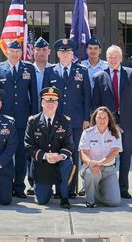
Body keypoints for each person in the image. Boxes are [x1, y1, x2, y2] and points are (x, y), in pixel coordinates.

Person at [92, 45, 132, 198]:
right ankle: (107, 188)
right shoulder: (99, 76)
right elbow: (96, 104)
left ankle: (123, 188)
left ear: (121, 59)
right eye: (110, 57)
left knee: (126, 156)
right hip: (107, 124)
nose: (113, 60)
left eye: (116, 57)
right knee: (108, 156)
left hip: (128, 122)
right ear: (106, 59)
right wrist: (96, 124)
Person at [42, 38, 91, 198]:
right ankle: (58, 189)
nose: (65, 54)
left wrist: (86, 118)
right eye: (62, 51)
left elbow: (87, 97)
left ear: (72, 53)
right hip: (54, 121)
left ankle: (71, 190)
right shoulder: (50, 71)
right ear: (57, 54)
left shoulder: (81, 71)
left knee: (72, 155)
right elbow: (44, 97)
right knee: (55, 153)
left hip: (75, 121)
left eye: (68, 51)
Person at [0, 40, 38, 198]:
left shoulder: (29, 68)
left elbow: (33, 94)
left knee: (20, 155)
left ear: (21, 53)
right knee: (2, 153)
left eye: (18, 51)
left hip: (22, 119)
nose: (15, 54)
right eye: (12, 51)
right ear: (7, 52)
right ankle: (2, 185)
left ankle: (19, 187)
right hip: (3, 119)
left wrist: (33, 115)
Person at [25, 87, 74, 208]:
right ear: (42, 103)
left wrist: (60, 156)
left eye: (53, 102)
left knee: (67, 163)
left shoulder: (65, 121)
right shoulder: (33, 121)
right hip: (42, 163)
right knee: (42, 201)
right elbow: (28, 145)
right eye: (47, 101)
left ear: (57, 104)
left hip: (59, 162)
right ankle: (44, 189)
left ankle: (64, 196)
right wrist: (45, 156)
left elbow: (69, 145)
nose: (50, 104)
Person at [79, 107, 122, 207]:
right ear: (95, 119)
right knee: (90, 173)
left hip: (109, 170)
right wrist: (91, 163)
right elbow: (83, 154)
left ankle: (95, 192)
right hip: (92, 168)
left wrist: (100, 162)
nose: (102, 120)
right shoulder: (87, 133)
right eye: (99, 117)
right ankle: (90, 200)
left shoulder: (115, 132)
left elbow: (115, 152)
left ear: (109, 119)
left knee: (115, 202)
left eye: (105, 117)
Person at [28, 36, 52, 195]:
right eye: (38, 49)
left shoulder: (54, 69)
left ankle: (48, 182)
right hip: (31, 115)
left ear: (49, 51)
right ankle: (31, 183)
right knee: (31, 150)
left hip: (49, 116)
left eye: (44, 49)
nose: (41, 52)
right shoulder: (27, 70)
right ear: (33, 51)